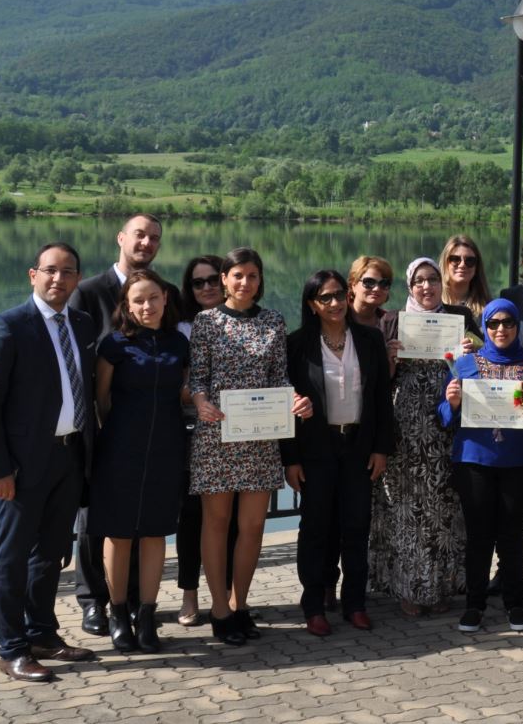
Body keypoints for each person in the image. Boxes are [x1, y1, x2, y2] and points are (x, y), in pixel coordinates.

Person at [0, 242, 97, 682]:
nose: (58, 279)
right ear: (33, 275)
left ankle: (42, 634)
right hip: (22, 466)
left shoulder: (82, 324)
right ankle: (11, 649)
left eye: (68, 272)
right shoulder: (6, 327)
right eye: (50, 270)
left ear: (78, 279)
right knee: (10, 558)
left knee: (49, 554)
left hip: (69, 456)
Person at [188, 247, 312, 646]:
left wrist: (295, 400)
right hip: (217, 434)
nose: (245, 282)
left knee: (254, 526)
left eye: (252, 276)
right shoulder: (206, 322)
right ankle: (218, 609)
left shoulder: (273, 321)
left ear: (260, 281)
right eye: (237, 275)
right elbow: (198, 378)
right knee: (216, 522)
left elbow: (280, 377)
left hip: (260, 435)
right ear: (224, 278)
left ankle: (240, 604)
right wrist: (200, 401)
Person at [67, 213, 171, 638]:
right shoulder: (89, 291)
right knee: (96, 521)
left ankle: (131, 602)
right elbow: (77, 359)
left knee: (140, 523)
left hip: (149, 433)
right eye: (139, 235)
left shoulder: (164, 291)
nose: (146, 243)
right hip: (99, 427)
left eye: (154, 238)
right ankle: (94, 600)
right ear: (121, 238)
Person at [282, 270, 394, 637]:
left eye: (338, 295)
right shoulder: (297, 344)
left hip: (358, 446)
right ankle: (314, 606)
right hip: (316, 448)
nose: (334, 303)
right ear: (312, 305)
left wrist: (381, 448)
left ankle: (355, 604)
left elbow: (381, 398)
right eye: (325, 298)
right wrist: (291, 459)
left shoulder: (370, 339)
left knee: (357, 527)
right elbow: (286, 405)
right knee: (315, 529)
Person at [369, 257, 476, 617]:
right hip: (405, 430)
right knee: (406, 510)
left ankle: (440, 586)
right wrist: (390, 359)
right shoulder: (392, 320)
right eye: (419, 281)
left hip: (447, 426)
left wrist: (470, 353)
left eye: (432, 279)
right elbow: (378, 382)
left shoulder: (460, 317)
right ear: (409, 286)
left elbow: (481, 364)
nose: (427, 287)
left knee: (444, 509)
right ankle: (408, 589)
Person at [89, 269, 189, 653]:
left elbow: (183, 391)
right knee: (119, 532)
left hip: (167, 447)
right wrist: (118, 436)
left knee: (154, 532)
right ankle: (117, 613)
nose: (147, 306)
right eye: (138, 300)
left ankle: (146, 615)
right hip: (120, 449)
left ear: (165, 299)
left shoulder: (179, 342)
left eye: (153, 298)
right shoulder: (113, 344)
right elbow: (102, 400)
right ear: (127, 306)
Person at [440, 299, 523, 635]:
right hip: (474, 462)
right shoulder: (464, 364)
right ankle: (475, 604)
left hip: (519, 462)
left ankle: (515, 603)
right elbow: (444, 416)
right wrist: (453, 402)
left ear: (517, 326)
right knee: (479, 537)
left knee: (512, 536)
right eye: (494, 323)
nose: (501, 329)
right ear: (484, 326)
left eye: (508, 322)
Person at [174, 253, 235, 628]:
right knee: (193, 516)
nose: (208, 287)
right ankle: (189, 593)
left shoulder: (241, 321)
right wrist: (198, 396)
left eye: (213, 279)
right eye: (199, 282)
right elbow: (175, 384)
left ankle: (225, 597)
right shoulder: (181, 328)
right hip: (191, 433)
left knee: (231, 520)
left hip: (235, 432)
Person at [439, 234, 492, 315]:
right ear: (445, 263)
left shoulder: (489, 309)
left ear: (477, 266)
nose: (462, 265)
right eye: (455, 259)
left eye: (469, 260)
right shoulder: (433, 304)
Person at [348, 255, 395, 330]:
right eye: (369, 282)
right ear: (353, 285)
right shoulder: (337, 316)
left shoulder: (391, 323)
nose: (376, 289)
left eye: (384, 283)